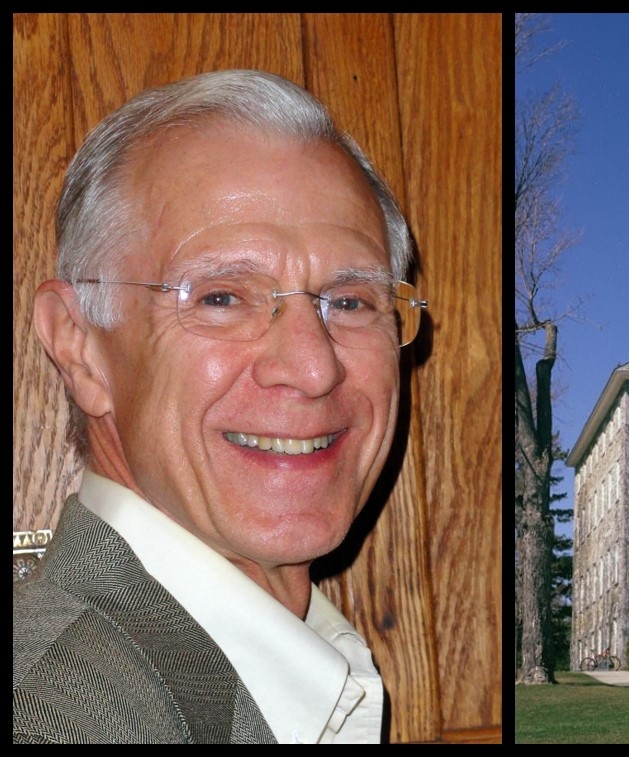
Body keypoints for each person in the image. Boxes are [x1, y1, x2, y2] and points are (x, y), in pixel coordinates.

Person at [13, 69, 427, 744]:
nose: (313, 368)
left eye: (350, 302)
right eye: (222, 298)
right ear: (79, 345)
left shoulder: (294, 664)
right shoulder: (55, 717)